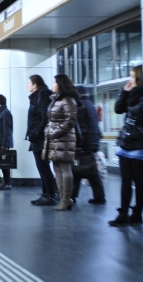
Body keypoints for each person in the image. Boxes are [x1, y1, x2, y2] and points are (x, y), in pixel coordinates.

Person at [109, 66, 143, 226]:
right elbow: (118, 109)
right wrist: (124, 92)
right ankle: (123, 213)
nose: (129, 80)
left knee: (138, 180)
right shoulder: (132, 94)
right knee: (125, 180)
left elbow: (135, 112)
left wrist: (131, 95)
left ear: (140, 78)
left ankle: (137, 213)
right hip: (126, 142)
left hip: (139, 143)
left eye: (132, 77)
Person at [43, 74, 79, 211]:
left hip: (64, 139)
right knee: (57, 168)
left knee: (65, 168)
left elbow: (70, 121)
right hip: (54, 138)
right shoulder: (56, 99)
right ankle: (63, 198)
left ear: (60, 84)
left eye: (54, 82)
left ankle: (66, 199)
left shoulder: (68, 100)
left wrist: (55, 132)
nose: (52, 85)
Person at [25, 75, 57, 206]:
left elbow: (45, 118)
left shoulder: (42, 96)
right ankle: (45, 194)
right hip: (37, 137)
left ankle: (49, 194)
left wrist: (35, 132)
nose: (27, 85)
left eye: (29, 83)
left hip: (41, 138)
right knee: (41, 166)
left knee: (43, 167)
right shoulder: (37, 96)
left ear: (35, 84)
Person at [72, 85, 105, 204]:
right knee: (90, 170)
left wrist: (79, 144)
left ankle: (72, 196)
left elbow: (82, 128)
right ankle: (99, 196)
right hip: (93, 141)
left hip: (86, 143)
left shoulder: (81, 105)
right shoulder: (89, 104)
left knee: (79, 169)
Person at [0, 94, 13, 190]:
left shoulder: (5, 113)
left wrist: (4, 144)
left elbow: (7, 130)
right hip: (0, 142)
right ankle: (6, 183)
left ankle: (7, 183)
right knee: (2, 164)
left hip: (3, 143)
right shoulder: (1, 112)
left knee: (5, 164)